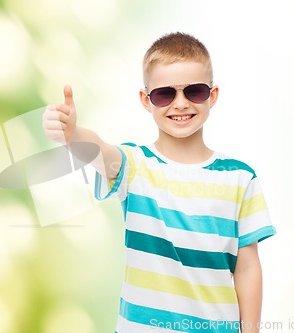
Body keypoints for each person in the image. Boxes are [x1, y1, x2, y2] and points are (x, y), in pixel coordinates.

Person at [43, 32, 276, 333]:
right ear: (146, 100)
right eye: (165, 94)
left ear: (212, 95)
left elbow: (247, 269)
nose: (180, 104)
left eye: (194, 91)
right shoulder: (135, 166)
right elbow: (101, 152)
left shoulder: (241, 178)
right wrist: (73, 135)